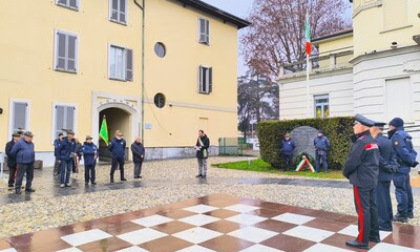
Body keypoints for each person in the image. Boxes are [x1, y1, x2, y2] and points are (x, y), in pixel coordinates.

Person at [343, 114, 380, 250]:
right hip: (370, 179)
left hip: (361, 180)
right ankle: (374, 235)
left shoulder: (362, 142)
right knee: (371, 208)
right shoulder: (372, 141)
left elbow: (351, 162)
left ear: (361, 126)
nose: (353, 126)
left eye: (355, 124)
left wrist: (345, 173)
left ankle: (362, 240)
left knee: (363, 210)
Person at [388, 117, 418, 223]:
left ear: (394, 126)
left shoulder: (397, 136)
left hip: (399, 167)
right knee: (407, 189)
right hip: (405, 167)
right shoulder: (406, 135)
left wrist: (411, 161)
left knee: (400, 190)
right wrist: (412, 161)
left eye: (390, 125)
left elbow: (403, 152)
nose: (389, 127)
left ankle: (402, 214)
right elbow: (413, 151)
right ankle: (409, 211)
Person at [372, 122, 398, 231]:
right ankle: (389, 217)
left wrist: (388, 167)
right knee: (386, 197)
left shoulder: (375, 141)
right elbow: (393, 156)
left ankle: (384, 224)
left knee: (380, 199)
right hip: (387, 174)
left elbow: (378, 158)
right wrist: (393, 167)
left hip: (379, 174)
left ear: (376, 129)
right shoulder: (388, 140)